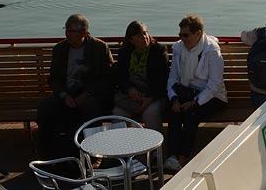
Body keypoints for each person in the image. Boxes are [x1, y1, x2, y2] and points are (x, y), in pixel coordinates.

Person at [37, 14, 115, 158]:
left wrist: (86, 94)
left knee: (90, 107)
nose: (67, 34)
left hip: (90, 93)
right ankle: (48, 152)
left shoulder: (98, 47)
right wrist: (63, 95)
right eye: (66, 30)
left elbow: (107, 78)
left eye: (71, 31)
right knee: (45, 106)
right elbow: (54, 79)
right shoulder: (60, 49)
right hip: (67, 93)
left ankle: (95, 152)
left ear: (83, 33)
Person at [164, 15, 228, 172]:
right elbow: (173, 77)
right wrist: (175, 99)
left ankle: (182, 158)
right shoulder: (179, 48)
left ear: (198, 33)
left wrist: (194, 102)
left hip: (212, 96)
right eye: (180, 35)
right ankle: (172, 156)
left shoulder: (212, 51)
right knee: (173, 112)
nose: (182, 38)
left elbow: (215, 84)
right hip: (186, 91)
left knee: (191, 114)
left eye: (186, 35)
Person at [113, 20, 169, 132]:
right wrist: (129, 89)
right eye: (139, 35)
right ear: (131, 39)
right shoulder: (125, 53)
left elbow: (163, 79)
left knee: (151, 113)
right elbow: (121, 77)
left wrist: (149, 99)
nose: (144, 37)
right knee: (118, 113)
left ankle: (155, 148)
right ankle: (122, 147)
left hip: (153, 95)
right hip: (131, 96)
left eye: (145, 33)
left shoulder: (158, 51)